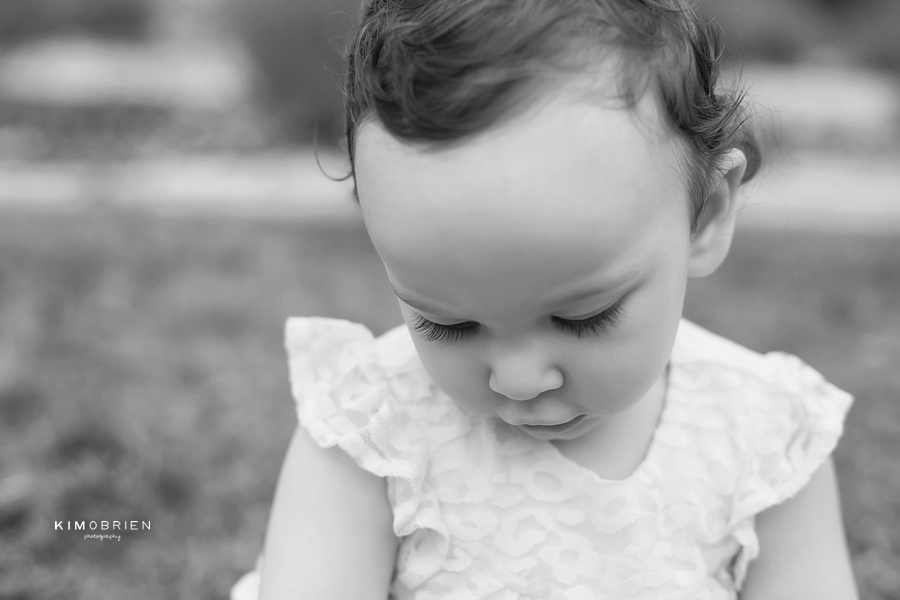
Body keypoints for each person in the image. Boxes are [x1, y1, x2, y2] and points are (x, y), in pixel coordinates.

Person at [232, 0, 859, 598]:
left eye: (582, 317)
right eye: (447, 323)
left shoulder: (766, 441)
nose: (519, 378)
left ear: (707, 214)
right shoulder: (373, 432)